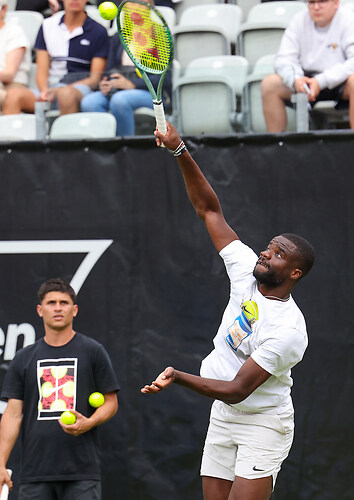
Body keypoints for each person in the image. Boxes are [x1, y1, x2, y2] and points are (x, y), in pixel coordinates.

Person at [141, 122, 315, 500]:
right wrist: (178, 149)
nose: (267, 253)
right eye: (270, 246)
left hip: (263, 423)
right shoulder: (246, 272)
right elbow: (208, 209)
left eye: (279, 253)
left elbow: (238, 390)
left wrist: (178, 376)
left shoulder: (288, 330)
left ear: (295, 273)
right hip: (224, 415)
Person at [0, 278, 119, 500]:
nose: (57, 308)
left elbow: (111, 402)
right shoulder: (23, 358)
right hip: (35, 474)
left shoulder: (93, 351)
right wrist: (0, 463)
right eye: (51, 302)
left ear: (74, 310)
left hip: (82, 473)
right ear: (39, 309)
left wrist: (89, 423)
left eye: (63, 303)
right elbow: (13, 414)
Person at [261, 0, 354, 131]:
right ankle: (276, 146)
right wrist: (296, 80)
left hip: (342, 80)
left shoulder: (350, 20)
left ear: (336, 3)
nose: (316, 7)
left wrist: (321, 81)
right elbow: (283, 59)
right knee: (269, 84)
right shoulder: (298, 20)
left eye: (322, 2)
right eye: (312, 2)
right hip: (309, 80)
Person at [2, 0, 109, 116]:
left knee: (66, 94)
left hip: (81, 88)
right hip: (50, 88)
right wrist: (43, 91)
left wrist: (60, 91)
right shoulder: (47, 25)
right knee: (13, 96)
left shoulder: (99, 31)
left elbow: (94, 78)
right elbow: (42, 70)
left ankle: (66, 134)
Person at [81, 32, 172, 136]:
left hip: (154, 93)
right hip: (119, 89)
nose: (133, 15)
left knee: (119, 100)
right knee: (89, 102)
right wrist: (105, 83)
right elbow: (109, 69)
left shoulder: (159, 35)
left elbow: (166, 78)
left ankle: (124, 147)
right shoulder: (118, 36)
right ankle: (103, 147)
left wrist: (132, 84)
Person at [0, 0, 31, 110]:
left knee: (12, 96)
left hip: (12, 86)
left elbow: (9, 74)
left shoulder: (14, 32)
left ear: (4, 9)